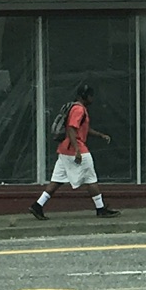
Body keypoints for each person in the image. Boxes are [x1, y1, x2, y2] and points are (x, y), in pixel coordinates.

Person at [31, 83, 118, 218]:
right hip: (76, 149)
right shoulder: (79, 110)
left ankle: (37, 205)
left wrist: (100, 135)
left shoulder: (76, 108)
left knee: (57, 180)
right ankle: (100, 209)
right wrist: (77, 150)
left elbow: (82, 128)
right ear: (85, 96)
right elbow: (71, 128)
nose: (92, 99)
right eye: (90, 96)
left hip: (64, 150)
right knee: (90, 178)